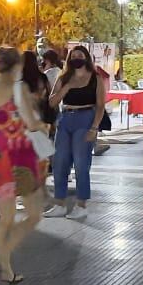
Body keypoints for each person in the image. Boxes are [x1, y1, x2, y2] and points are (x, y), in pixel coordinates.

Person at [0, 46, 44, 285]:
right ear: (17, 66)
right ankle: (2, 257)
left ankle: (4, 265)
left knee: (6, 217)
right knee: (34, 215)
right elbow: (31, 123)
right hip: (22, 156)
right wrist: (42, 127)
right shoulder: (20, 88)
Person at [47, 44, 105, 220]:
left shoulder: (95, 78)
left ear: (86, 58)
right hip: (66, 119)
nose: (76, 59)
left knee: (81, 163)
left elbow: (101, 105)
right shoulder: (64, 77)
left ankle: (81, 204)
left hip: (85, 118)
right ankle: (59, 203)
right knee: (60, 162)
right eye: (73, 56)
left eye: (79, 55)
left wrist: (94, 127)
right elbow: (52, 101)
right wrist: (67, 87)